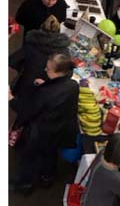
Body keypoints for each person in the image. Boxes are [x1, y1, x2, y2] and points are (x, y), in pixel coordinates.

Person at [9, 54, 79, 194]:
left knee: (29, 159)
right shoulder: (73, 85)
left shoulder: (46, 93)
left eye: (48, 69)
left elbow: (27, 111)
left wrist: (11, 99)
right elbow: (57, 91)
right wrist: (45, 83)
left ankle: (24, 184)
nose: (45, 70)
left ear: (58, 72)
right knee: (50, 154)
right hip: (60, 130)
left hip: (41, 132)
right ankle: (48, 177)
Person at [9, 15, 70, 105]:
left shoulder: (30, 46)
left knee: (21, 106)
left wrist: (24, 67)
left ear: (41, 28)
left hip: (27, 82)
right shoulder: (64, 51)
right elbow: (68, 72)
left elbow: (12, 61)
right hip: (49, 86)